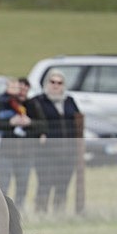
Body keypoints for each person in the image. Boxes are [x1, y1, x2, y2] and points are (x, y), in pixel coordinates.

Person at [0, 77, 45, 210]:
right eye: (19, 88)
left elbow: (43, 125)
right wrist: (10, 123)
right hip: (6, 151)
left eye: (25, 89)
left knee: (22, 185)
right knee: (3, 184)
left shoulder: (32, 105)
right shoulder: (3, 103)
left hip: (26, 152)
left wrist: (30, 123)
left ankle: (19, 211)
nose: (21, 92)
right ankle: (2, 211)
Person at [32, 69, 81, 213]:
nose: (55, 85)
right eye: (52, 82)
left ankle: (58, 212)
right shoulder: (38, 101)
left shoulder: (69, 101)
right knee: (45, 183)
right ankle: (41, 212)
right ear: (47, 83)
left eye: (59, 83)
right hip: (46, 153)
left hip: (68, 152)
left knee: (63, 185)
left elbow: (78, 120)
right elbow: (34, 123)